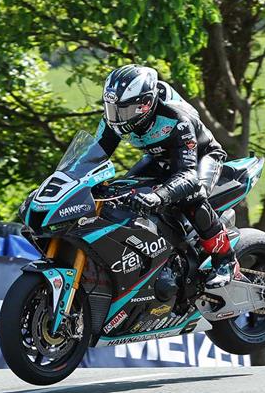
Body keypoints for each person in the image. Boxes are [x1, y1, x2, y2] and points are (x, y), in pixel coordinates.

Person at [92, 64, 238, 280]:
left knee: (192, 195)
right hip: (159, 157)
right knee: (121, 191)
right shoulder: (115, 120)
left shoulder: (177, 118)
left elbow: (188, 175)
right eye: (112, 109)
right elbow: (93, 157)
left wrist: (158, 195)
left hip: (202, 156)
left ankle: (226, 260)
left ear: (147, 103)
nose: (117, 118)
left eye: (124, 110)